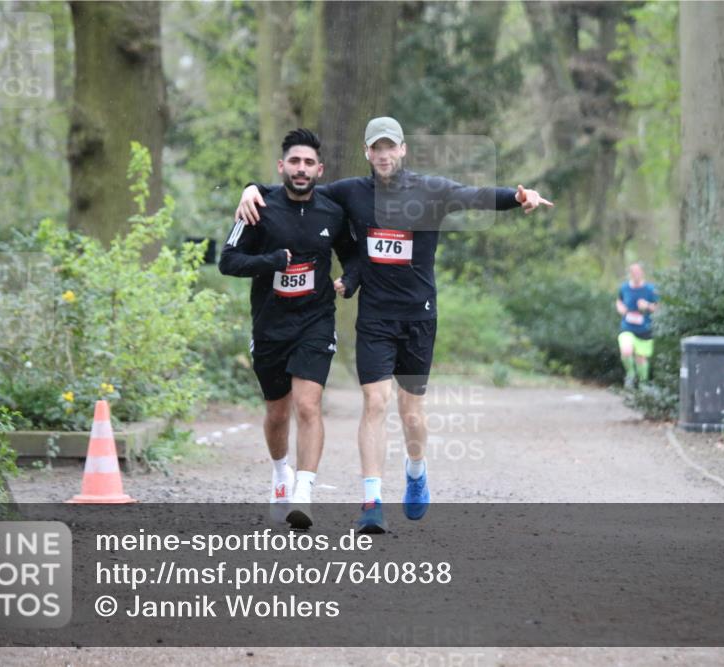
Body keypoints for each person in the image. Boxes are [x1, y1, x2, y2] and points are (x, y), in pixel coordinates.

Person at [235, 117, 552, 534]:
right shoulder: (351, 192)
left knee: (411, 412)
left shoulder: (430, 190)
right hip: (375, 317)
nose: (383, 155)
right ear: (367, 153)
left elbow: (473, 196)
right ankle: (372, 501)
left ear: (402, 150)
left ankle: (416, 469)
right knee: (376, 403)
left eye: (391, 147)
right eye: (376, 148)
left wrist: (517, 196)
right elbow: (300, 188)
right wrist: (253, 190)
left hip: (419, 316)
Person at [219, 129, 358, 530]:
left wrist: (350, 280)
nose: (301, 169)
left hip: (315, 320)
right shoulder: (258, 206)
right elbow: (228, 262)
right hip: (269, 325)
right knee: (277, 413)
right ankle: (281, 473)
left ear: (320, 169)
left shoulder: (332, 210)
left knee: (308, 405)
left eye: (308, 163)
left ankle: (304, 491)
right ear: (282, 166)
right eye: (294, 162)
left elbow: (353, 256)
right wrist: (272, 261)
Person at [616, 263, 659, 387]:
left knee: (641, 358)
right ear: (629, 274)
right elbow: (619, 301)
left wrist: (648, 306)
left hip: (645, 329)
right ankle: (630, 375)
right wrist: (621, 308)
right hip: (627, 327)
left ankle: (643, 383)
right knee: (626, 351)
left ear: (642, 273)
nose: (635, 275)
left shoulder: (650, 289)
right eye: (632, 272)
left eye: (637, 272)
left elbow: (660, 308)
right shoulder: (624, 288)